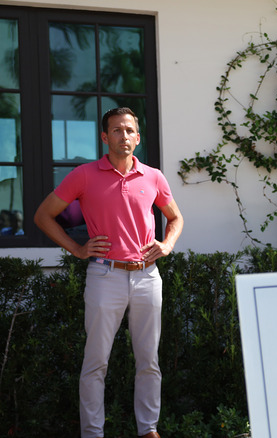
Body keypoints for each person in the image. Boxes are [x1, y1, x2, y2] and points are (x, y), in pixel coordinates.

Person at [34, 107, 183, 438]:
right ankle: (93, 433)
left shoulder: (154, 176)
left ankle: (148, 429)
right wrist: (76, 249)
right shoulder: (84, 175)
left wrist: (167, 244)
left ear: (138, 137)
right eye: (117, 130)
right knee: (96, 362)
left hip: (147, 276)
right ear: (105, 137)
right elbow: (44, 215)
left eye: (130, 130)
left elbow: (175, 218)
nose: (124, 136)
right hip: (105, 276)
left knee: (149, 361)